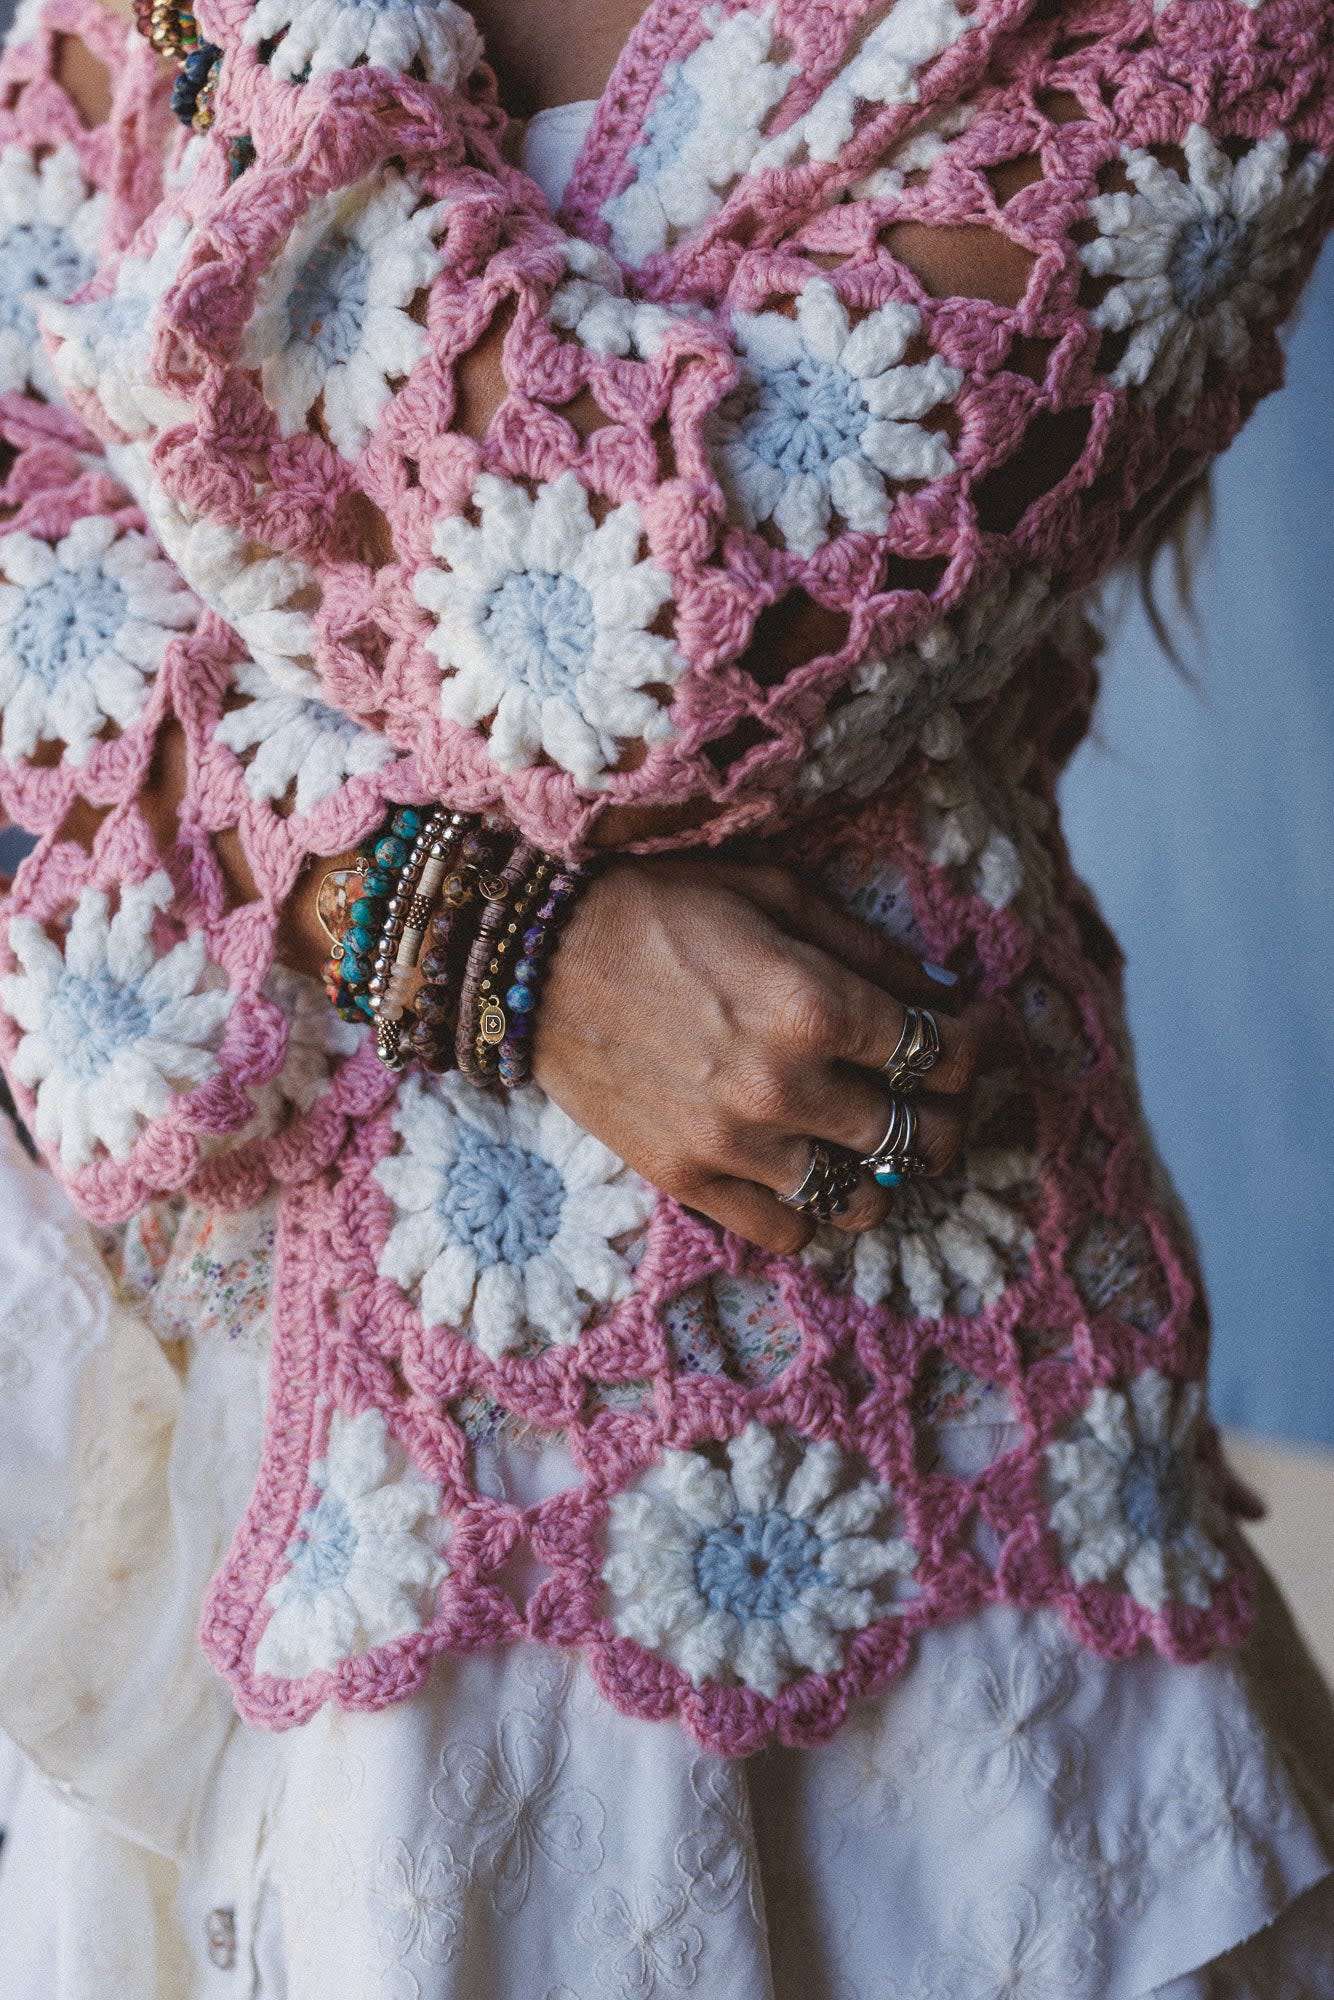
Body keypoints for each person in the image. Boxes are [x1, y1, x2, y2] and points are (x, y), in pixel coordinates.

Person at [0, 0, 1332, 1991]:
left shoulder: (1197, 40)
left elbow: (653, 632)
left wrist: (269, 35)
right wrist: (466, 932)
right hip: (202, 1485)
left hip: (856, 1578)